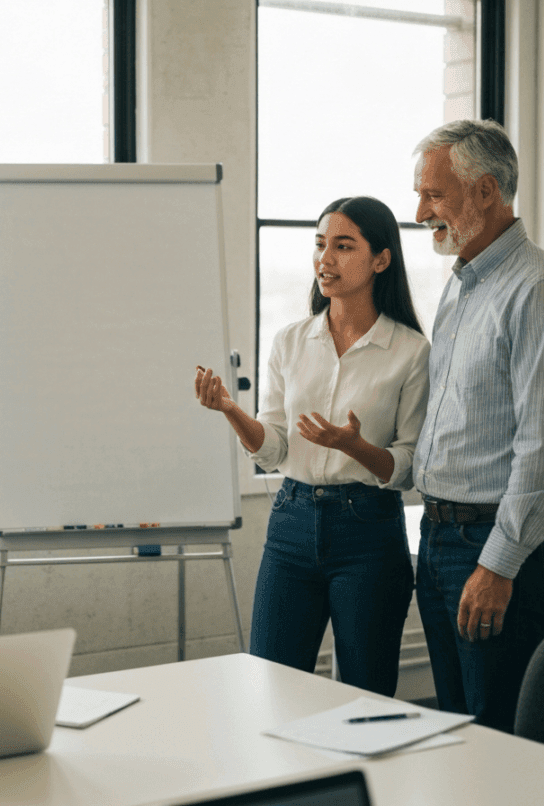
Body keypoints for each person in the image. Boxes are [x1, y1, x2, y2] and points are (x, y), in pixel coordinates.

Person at [195, 196, 429, 696]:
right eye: (320, 244)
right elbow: (274, 448)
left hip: (368, 533)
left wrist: (355, 447)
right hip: (292, 524)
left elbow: (409, 466)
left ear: (381, 260)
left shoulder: (411, 352)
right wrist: (232, 411)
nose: (325, 259)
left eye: (343, 246)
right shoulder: (290, 341)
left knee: (365, 699)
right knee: (271, 688)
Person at [410, 120, 544, 731]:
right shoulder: (461, 287)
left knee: (497, 735)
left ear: (485, 191)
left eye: (433, 195)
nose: (420, 212)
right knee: (454, 729)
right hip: (440, 537)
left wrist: (498, 564)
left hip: (493, 544)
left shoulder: (540, 290)